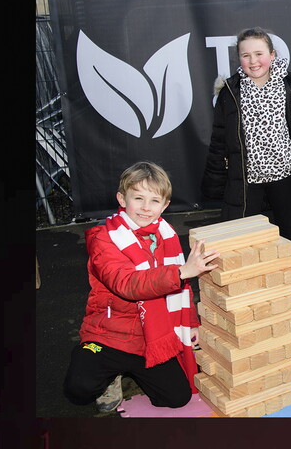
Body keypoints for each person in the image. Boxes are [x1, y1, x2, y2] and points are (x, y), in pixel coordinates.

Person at [63, 161, 220, 412]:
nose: (146, 207)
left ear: (165, 205)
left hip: (152, 337)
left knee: (177, 398)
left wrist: (191, 324)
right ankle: (105, 373)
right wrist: (181, 272)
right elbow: (127, 284)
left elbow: (183, 289)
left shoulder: (167, 234)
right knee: (78, 390)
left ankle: (132, 371)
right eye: (138, 198)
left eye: (154, 201)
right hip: (110, 334)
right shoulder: (104, 237)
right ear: (122, 199)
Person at [201, 27, 291, 264]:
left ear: (272, 54)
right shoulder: (230, 92)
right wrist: (214, 183)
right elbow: (219, 140)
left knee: (288, 232)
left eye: (259, 54)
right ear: (239, 58)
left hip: (284, 176)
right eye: (246, 55)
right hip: (247, 179)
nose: (253, 61)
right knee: (243, 237)